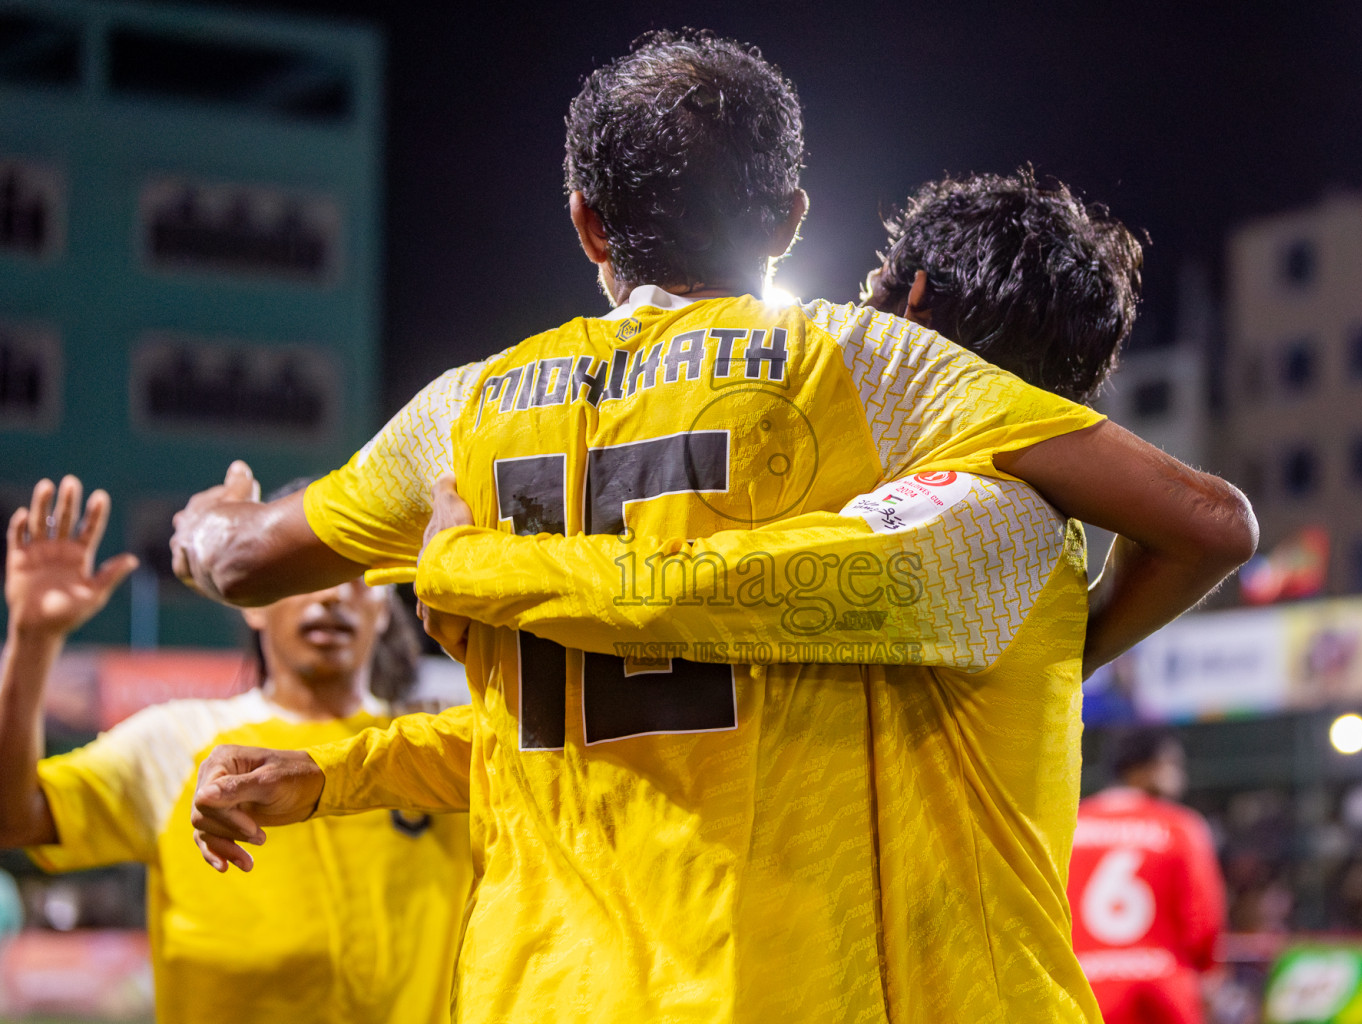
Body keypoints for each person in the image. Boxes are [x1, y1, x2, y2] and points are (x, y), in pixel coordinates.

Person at [177, 31, 1256, 1024]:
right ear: (790, 220)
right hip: (762, 981)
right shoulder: (854, 393)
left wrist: (235, 527)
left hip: (542, 982)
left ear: (585, 221)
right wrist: (340, 772)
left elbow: (246, 563)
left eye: (886, 288)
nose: (870, 301)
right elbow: (695, 673)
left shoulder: (467, 409)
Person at [0, 476, 472, 1024]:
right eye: (307, 574)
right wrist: (32, 638)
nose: (331, 593)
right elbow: (15, 819)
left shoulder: (438, 748)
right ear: (252, 601)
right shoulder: (178, 743)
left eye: (356, 574)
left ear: (386, 605)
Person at [1070, 728, 1226, 1024]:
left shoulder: (1071, 826)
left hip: (1084, 991)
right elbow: (1203, 920)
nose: (1181, 776)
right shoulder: (1180, 826)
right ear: (1142, 769)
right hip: (1161, 992)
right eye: (1172, 765)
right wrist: (1209, 974)